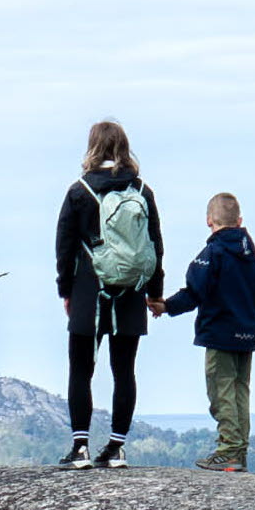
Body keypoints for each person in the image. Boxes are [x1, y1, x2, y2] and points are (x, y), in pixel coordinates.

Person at [52, 121, 164, 469]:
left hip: (88, 288)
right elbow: (155, 245)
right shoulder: (142, 190)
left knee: (81, 369)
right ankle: (117, 447)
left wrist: (65, 291)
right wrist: (154, 292)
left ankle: (81, 446)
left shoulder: (79, 190)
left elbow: (65, 247)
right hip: (130, 290)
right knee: (124, 370)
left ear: (92, 147)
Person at [159, 192, 255, 471]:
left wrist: (165, 306)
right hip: (246, 334)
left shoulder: (213, 253)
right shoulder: (249, 255)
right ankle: (239, 450)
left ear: (209, 220)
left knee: (221, 391)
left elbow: (195, 291)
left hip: (220, 333)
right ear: (240, 220)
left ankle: (229, 450)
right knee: (240, 391)